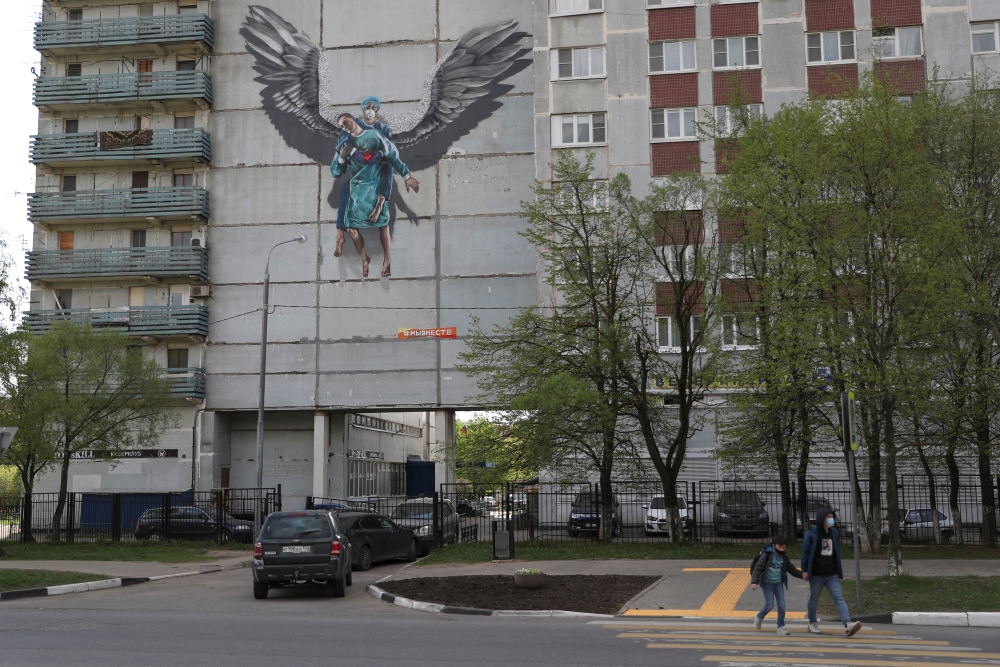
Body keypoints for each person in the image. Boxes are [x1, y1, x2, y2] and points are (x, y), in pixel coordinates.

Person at [331, 112, 419, 278]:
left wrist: (407, 176)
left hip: (375, 186)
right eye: (342, 126)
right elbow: (336, 172)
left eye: (346, 122)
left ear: (353, 119)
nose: (345, 127)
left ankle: (387, 261)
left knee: (382, 226)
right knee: (352, 229)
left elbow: (392, 156)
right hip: (357, 191)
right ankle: (364, 257)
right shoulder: (345, 144)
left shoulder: (374, 136)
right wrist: (341, 159)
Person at [801, 507, 863, 637]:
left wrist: (838, 569)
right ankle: (812, 622)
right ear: (821, 518)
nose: (831, 519)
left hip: (832, 574)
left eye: (832, 517)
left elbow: (836, 552)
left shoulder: (834, 532)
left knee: (839, 598)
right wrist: (805, 570)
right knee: (814, 599)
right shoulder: (811, 533)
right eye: (828, 517)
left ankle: (848, 625)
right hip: (817, 574)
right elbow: (805, 553)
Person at [750, 533, 803, 635]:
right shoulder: (767, 555)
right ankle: (759, 616)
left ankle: (781, 626)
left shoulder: (783, 556)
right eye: (780, 547)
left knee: (782, 606)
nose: (782, 549)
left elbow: (791, 569)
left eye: (784, 547)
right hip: (767, 583)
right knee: (769, 605)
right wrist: (754, 582)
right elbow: (758, 568)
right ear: (774, 545)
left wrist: (803, 575)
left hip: (778, 583)